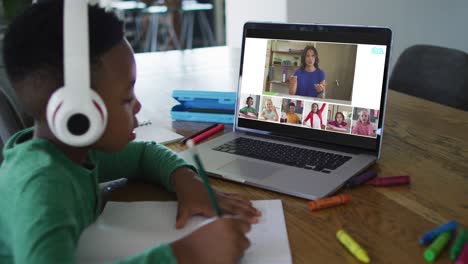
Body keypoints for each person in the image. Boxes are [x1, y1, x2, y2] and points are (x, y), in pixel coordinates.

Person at [0, 2, 260, 264]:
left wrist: (188, 182)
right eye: (126, 98)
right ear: (78, 114)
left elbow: (144, 155)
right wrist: (186, 254)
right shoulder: (42, 188)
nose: (137, 106)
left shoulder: (72, 153)